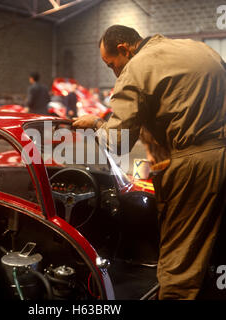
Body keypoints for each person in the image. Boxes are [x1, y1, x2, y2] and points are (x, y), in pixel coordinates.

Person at [73, 25, 226, 300]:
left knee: (181, 261)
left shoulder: (137, 67)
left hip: (195, 166)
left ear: (124, 49)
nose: (115, 71)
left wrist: (97, 123)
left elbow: (118, 142)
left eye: (111, 65)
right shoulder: (200, 49)